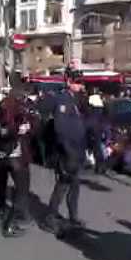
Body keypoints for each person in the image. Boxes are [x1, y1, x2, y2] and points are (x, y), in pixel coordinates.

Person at [42, 67, 87, 234]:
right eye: (77, 82)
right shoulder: (62, 99)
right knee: (62, 185)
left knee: (75, 186)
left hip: (78, 149)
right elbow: (60, 128)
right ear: (68, 82)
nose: (80, 85)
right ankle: (50, 217)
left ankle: (73, 217)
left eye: (81, 82)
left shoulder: (77, 99)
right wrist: (68, 151)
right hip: (67, 151)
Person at [0, 90, 33, 237]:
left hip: (1, 154)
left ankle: (1, 210)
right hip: (17, 156)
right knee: (22, 190)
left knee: (2, 184)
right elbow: (23, 131)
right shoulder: (19, 113)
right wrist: (25, 128)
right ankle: (10, 223)